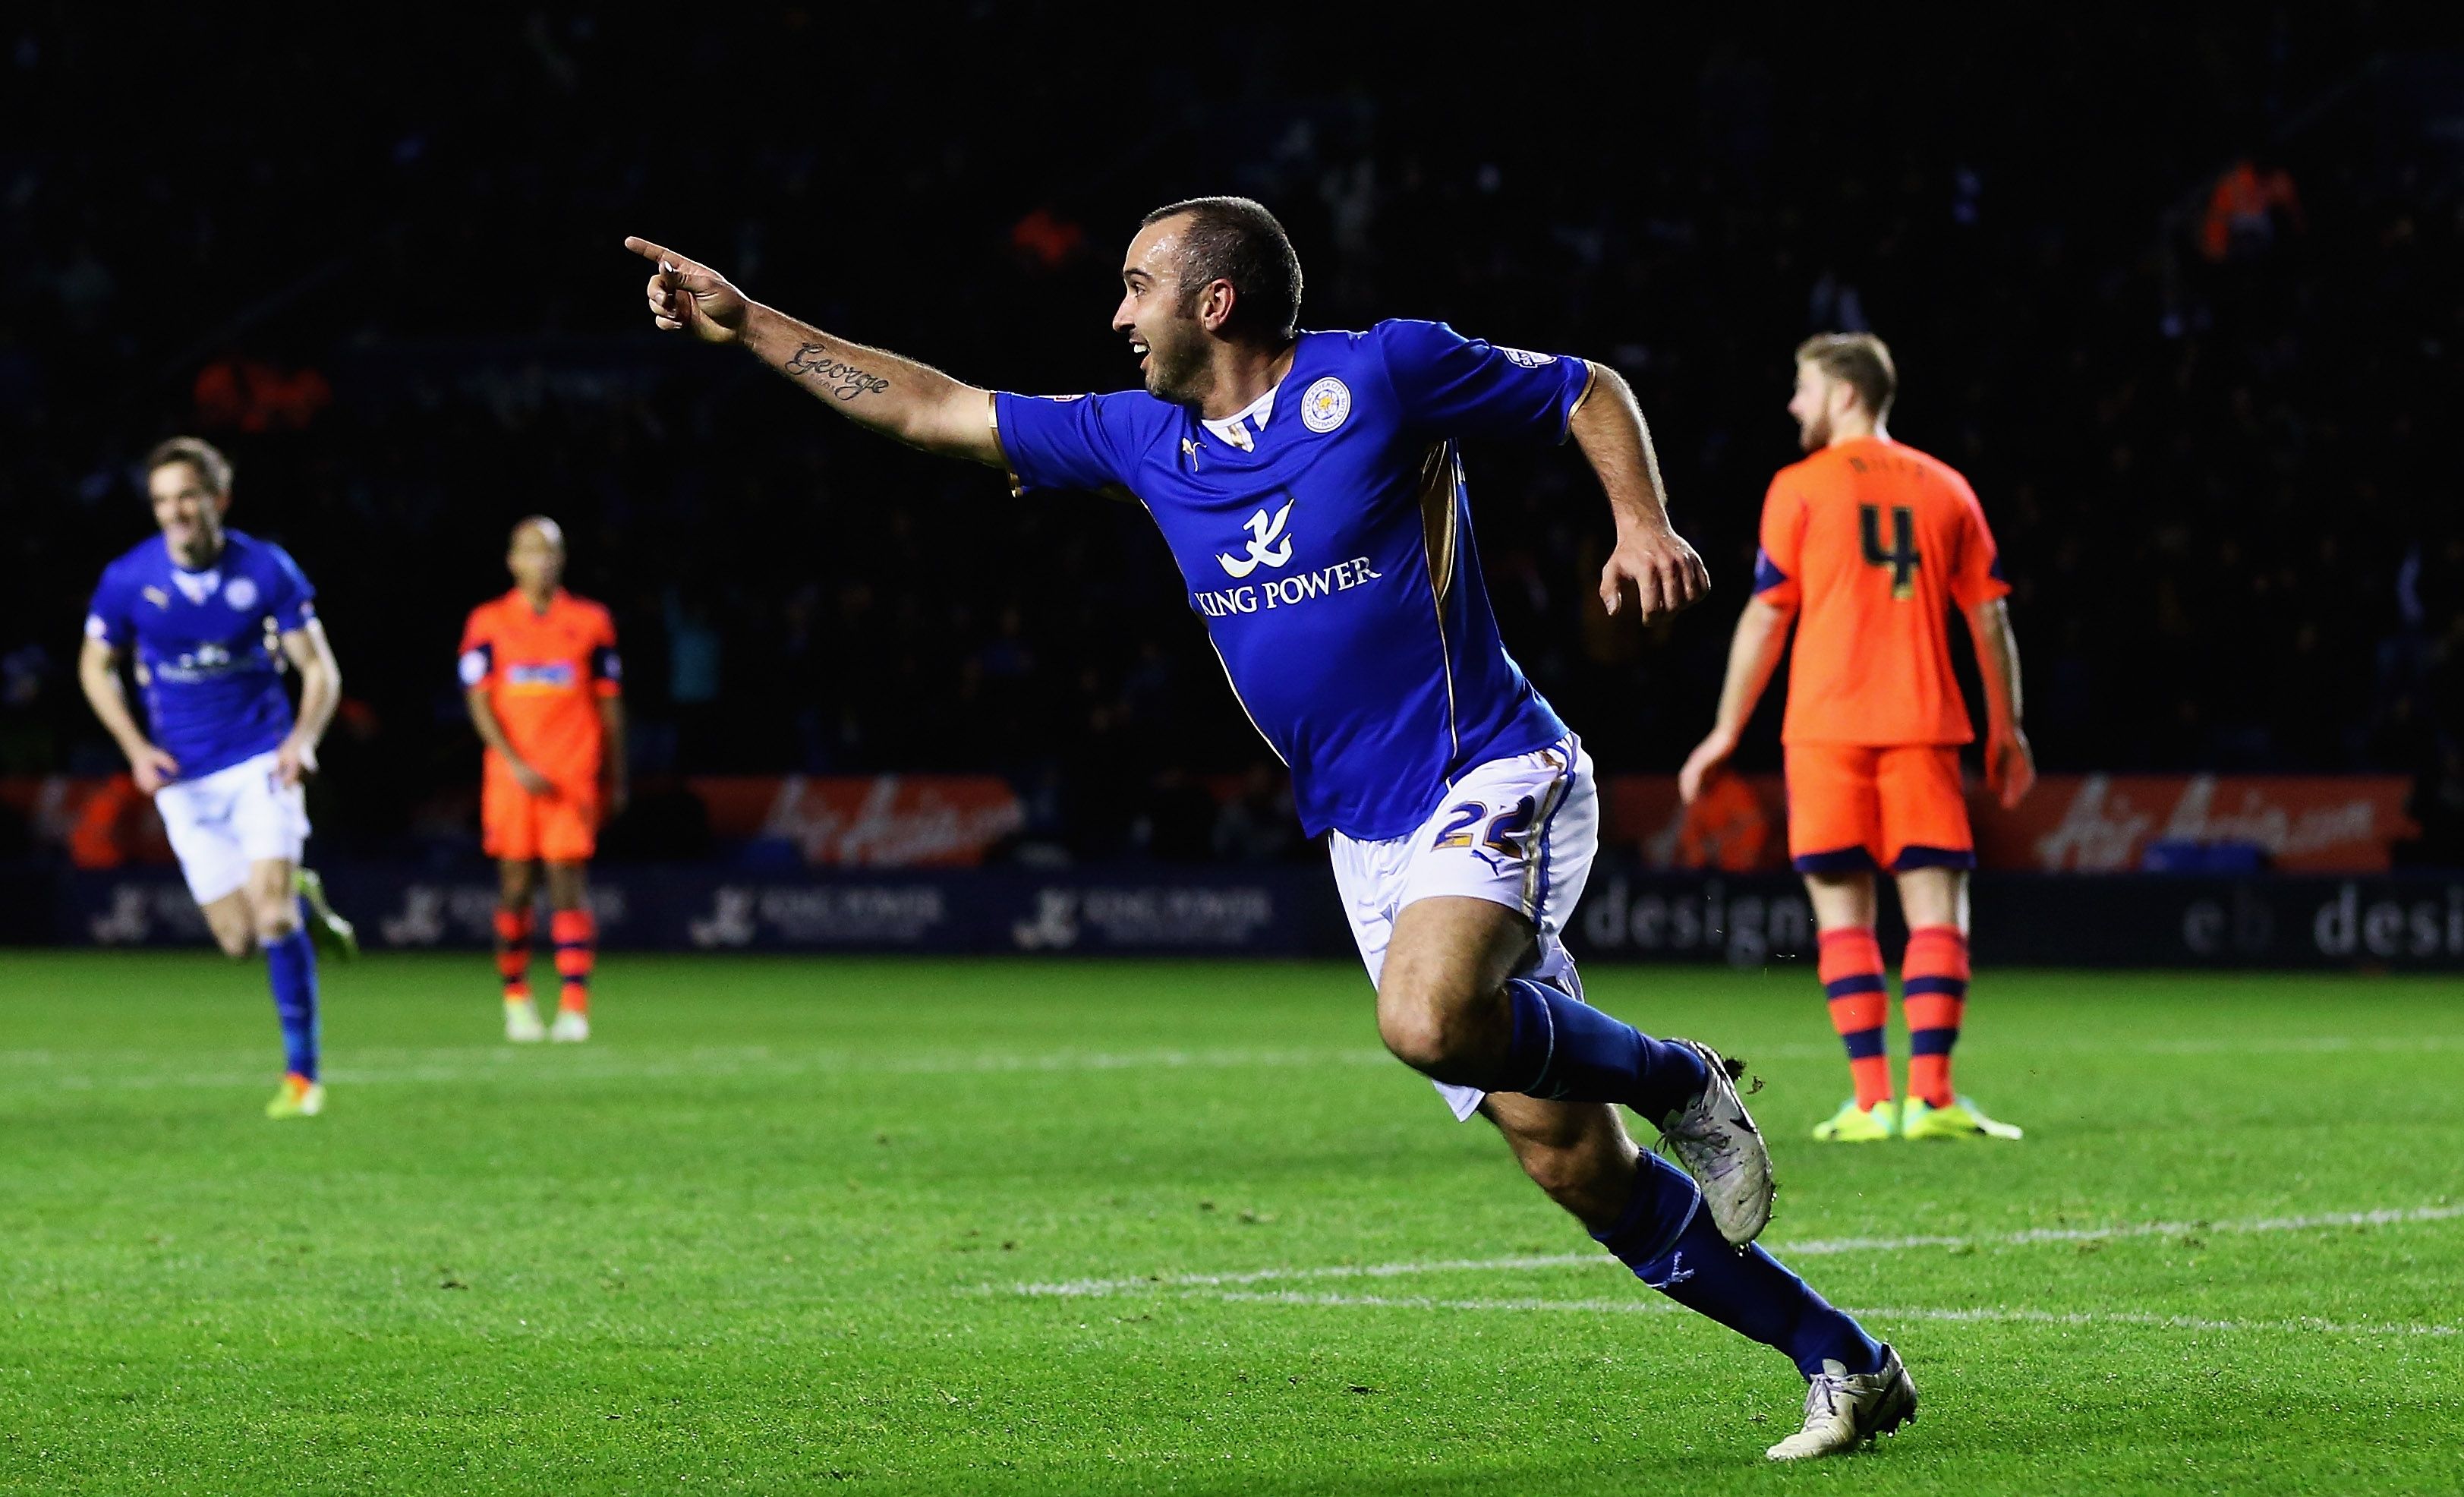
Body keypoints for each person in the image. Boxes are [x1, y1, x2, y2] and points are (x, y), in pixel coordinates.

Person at [624, 197, 1915, 1459]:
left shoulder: (1386, 372)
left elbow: (1585, 388)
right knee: (1570, 1160)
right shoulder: (1141, 438)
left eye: (1138, 286)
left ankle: (1676, 1077)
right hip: (1363, 837)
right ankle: (1843, 1357)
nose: (1118, 314)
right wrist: (749, 324)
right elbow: (933, 408)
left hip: (1490, 766)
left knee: (1424, 1019)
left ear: (1215, 300)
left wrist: (1640, 519)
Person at [1681, 333, 2034, 1144]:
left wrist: (1726, 730)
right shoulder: (1948, 487)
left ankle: (1872, 1102)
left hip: (1824, 730)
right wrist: (2007, 725)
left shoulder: (1797, 487)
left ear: (1844, 393)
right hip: (1923, 723)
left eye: (1803, 388)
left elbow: (1767, 615)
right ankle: (1932, 1098)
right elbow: (1990, 617)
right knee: (1936, 909)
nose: (1794, 404)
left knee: (1843, 914)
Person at [77, 436, 356, 1120]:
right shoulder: (128, 579)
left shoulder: (266, 569)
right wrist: (136, 749)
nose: (174, 512)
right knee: (238, 940)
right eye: (162, 501)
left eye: (187, 497)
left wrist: (302, 742)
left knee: (271, 915)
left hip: (261, 758)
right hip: (185, 781)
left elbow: (319, 669)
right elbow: (94, 667)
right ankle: (303, 904)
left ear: (218, 500)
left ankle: (303, 1077)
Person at [458, 518, 627, 1042]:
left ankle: (574, 1005)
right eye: (532, 551)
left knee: (567, 887)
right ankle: (516, 997)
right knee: (514, 889)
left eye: (551, 551)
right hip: (512, 778)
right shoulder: (488, 622)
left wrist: (617, 776)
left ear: (563, 558)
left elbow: (610, 704)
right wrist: (513, 761)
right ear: (513, 560)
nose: (543, 561)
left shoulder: (591, 622)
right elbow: (479, 701)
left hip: (571, 775)